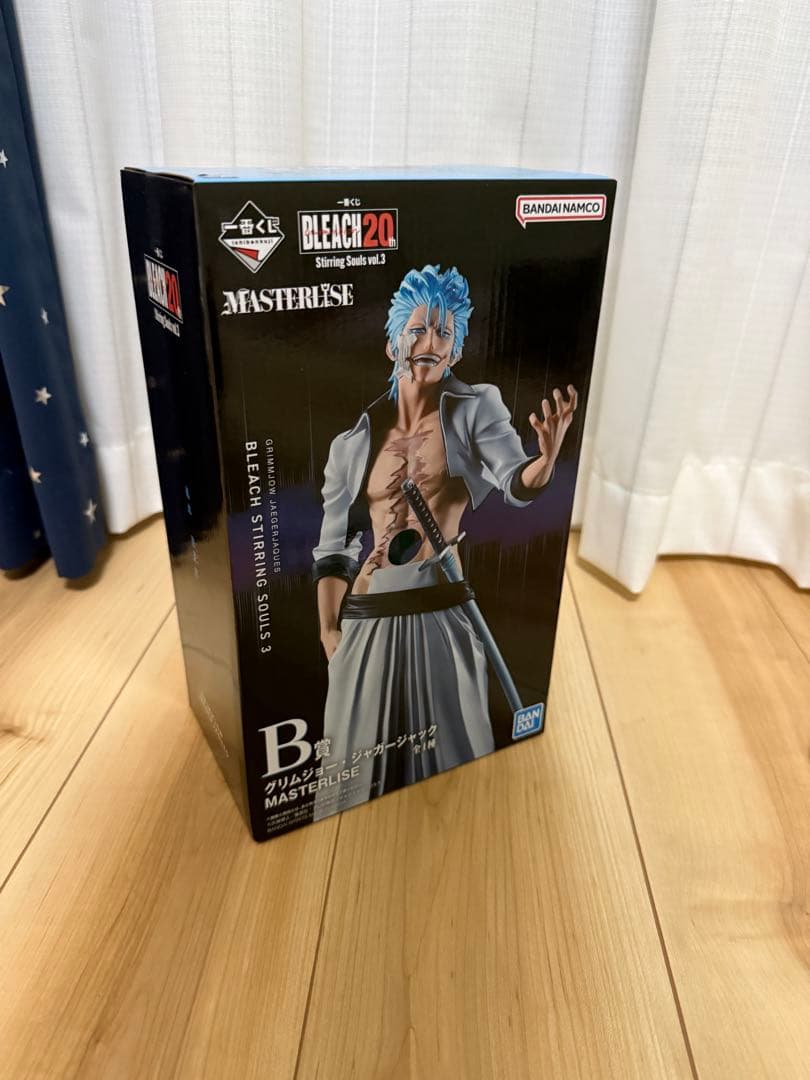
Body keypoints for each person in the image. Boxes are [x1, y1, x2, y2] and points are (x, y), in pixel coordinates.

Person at [311, 264, 576, 818]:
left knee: (463, 762)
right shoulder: (352, 443)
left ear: (455, 350)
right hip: (365, 618)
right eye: (417, 329)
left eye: (443, 332)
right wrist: (329, 631)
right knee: (347, 781)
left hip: (439, 606)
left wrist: (545, 462)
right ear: (393, 344)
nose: (429, 342)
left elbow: (515, 480)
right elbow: (333, 548)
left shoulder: (475, 408)